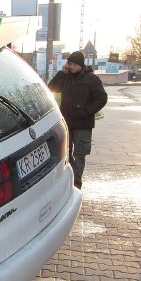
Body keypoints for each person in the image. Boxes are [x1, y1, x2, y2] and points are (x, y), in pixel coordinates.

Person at [47, 50, 108, 189]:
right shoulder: (66, 77)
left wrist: (87, 111)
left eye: (73, 64)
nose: (70, 66)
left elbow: (102, 98)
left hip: (83, 124)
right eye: (69, 63)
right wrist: (62, 73)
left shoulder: (91, 79)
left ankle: (77, 183)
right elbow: (52, 88)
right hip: (67, 123)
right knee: (65, 154)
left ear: (81, 65)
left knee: (80, 154)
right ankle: (70, 179)